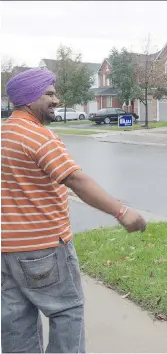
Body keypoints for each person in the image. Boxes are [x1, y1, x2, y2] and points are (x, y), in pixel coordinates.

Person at [1, 68, 147, 353]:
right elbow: (76, 180)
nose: (56, 100)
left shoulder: (4, 133)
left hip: (6, 252)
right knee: (66, 312)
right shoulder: (39, 137)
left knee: (16, 322)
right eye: (50, 94)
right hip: (44, 248)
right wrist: (122, 212)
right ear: (30, 98)